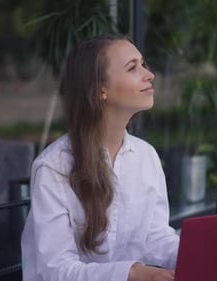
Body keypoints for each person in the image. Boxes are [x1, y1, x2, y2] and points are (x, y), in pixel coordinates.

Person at [21, 34, 179, 281]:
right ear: (99, 90)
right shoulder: (53, 167)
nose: (149, 74)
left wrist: (200, 254)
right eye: (132, 68)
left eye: (143, 64)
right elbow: (57, 270)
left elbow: (155, 236)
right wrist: (131, 274)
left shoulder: (146, 156)